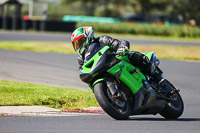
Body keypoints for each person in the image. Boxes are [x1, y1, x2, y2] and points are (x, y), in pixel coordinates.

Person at [71, 26, 164, 86]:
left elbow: (119, 43)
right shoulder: (81, 58)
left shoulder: (102, 40)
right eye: (76, 44)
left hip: (117, 60)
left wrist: (122, 48)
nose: (78, 45)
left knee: (132, 55)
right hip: (102, 69)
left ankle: (156, 77)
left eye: (80, 41)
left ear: (87, 37)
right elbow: (82, 69)